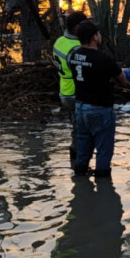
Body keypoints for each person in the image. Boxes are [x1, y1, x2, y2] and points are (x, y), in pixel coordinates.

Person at [67, 21, 128, 178]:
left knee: (83, 148)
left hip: (80, 107)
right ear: (94, 37)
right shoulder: (103, 58)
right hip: (100, 109)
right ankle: (103, 188)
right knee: (103, 150)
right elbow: (123, 79)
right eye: (98, 34)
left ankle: (80, 185)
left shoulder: (73, 55)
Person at [54, 11, 86, 165]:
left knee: (76, 129)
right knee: (81, 131)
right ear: (76, 27)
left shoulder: (59, 41)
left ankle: (76, 165)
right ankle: (78, 166)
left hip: (65, 91)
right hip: (75, 92)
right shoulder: (77, 48)